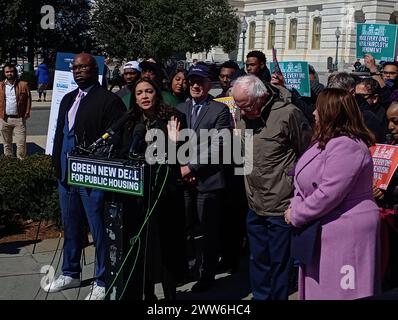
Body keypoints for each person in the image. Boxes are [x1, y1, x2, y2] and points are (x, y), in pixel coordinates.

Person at [285, 88, 380, 300]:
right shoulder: (325, 142)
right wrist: (296, 203)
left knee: (342, 293)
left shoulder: (348, 145)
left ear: (330, 112)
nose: (314, 113)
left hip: (346, 231)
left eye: (318, 109)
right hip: (324, 228)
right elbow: (303, 182)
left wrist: (297, 214)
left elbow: (329, 192)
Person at [47, 53, 126, 300]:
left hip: (92, 176)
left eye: (84, 67)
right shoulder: (68, 98)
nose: (79, 71)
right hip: (66, 174)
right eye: (76, 67)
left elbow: (116, 139)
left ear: (95, 70)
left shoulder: (108, 100)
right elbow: (61, 132)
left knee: (99, 228)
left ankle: (104, 278)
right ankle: (71, 272)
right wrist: (56, 165)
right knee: (70, 225)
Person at [231, 74, 312, 300]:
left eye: (245, 105)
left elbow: (307, 153)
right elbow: (243, 153)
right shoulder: (242, 112)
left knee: (279, 262)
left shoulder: (288, 114)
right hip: (254, 202)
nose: (241, 111)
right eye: (238, 105)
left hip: (280, 204)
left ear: (261, 97)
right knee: (258, 259)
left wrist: (296, 193)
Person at [117, 78, 187, 300]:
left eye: (149, 91)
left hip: (166, 194)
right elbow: (123, 153)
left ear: (157, 94)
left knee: (166, 247)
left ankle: (170, 294)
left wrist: (175, 142)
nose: (144, 96)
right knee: (143, 248)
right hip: (138, 196)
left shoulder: (174, 117)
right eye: (139, 93)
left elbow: (183, 159)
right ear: (134, 97)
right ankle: (147, 294)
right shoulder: (130, 121)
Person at [176, 64, 232, 292]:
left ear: (210, 84)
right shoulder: (179, 108)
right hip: (183, 180)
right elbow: (175, 142)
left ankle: (207, 275)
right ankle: (187, 269)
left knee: (209, 231)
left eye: (200, 81)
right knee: (185, 229)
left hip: (208, 180)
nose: (195, 85)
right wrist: (181, 167)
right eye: (192, 81)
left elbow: (219, 144)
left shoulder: (219, 110)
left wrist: (192, 167)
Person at [373, 101, 398, 291]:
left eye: (396, 122)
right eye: (389, 122)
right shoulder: (390, 144)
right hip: (388, 218)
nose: (391, 127)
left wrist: (389, 191)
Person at [0, 63, 31, 160]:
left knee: (21, 145)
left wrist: (27, 113)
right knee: (7, 144)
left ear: (15, 72)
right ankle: (9, 164)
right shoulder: (1, 85)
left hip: (19, 119)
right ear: (4, 73)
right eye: (7, 72)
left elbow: (28, 100)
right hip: (4, 119)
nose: (9, 73)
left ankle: (21, 165)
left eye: (11, 71)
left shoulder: (23, 85)